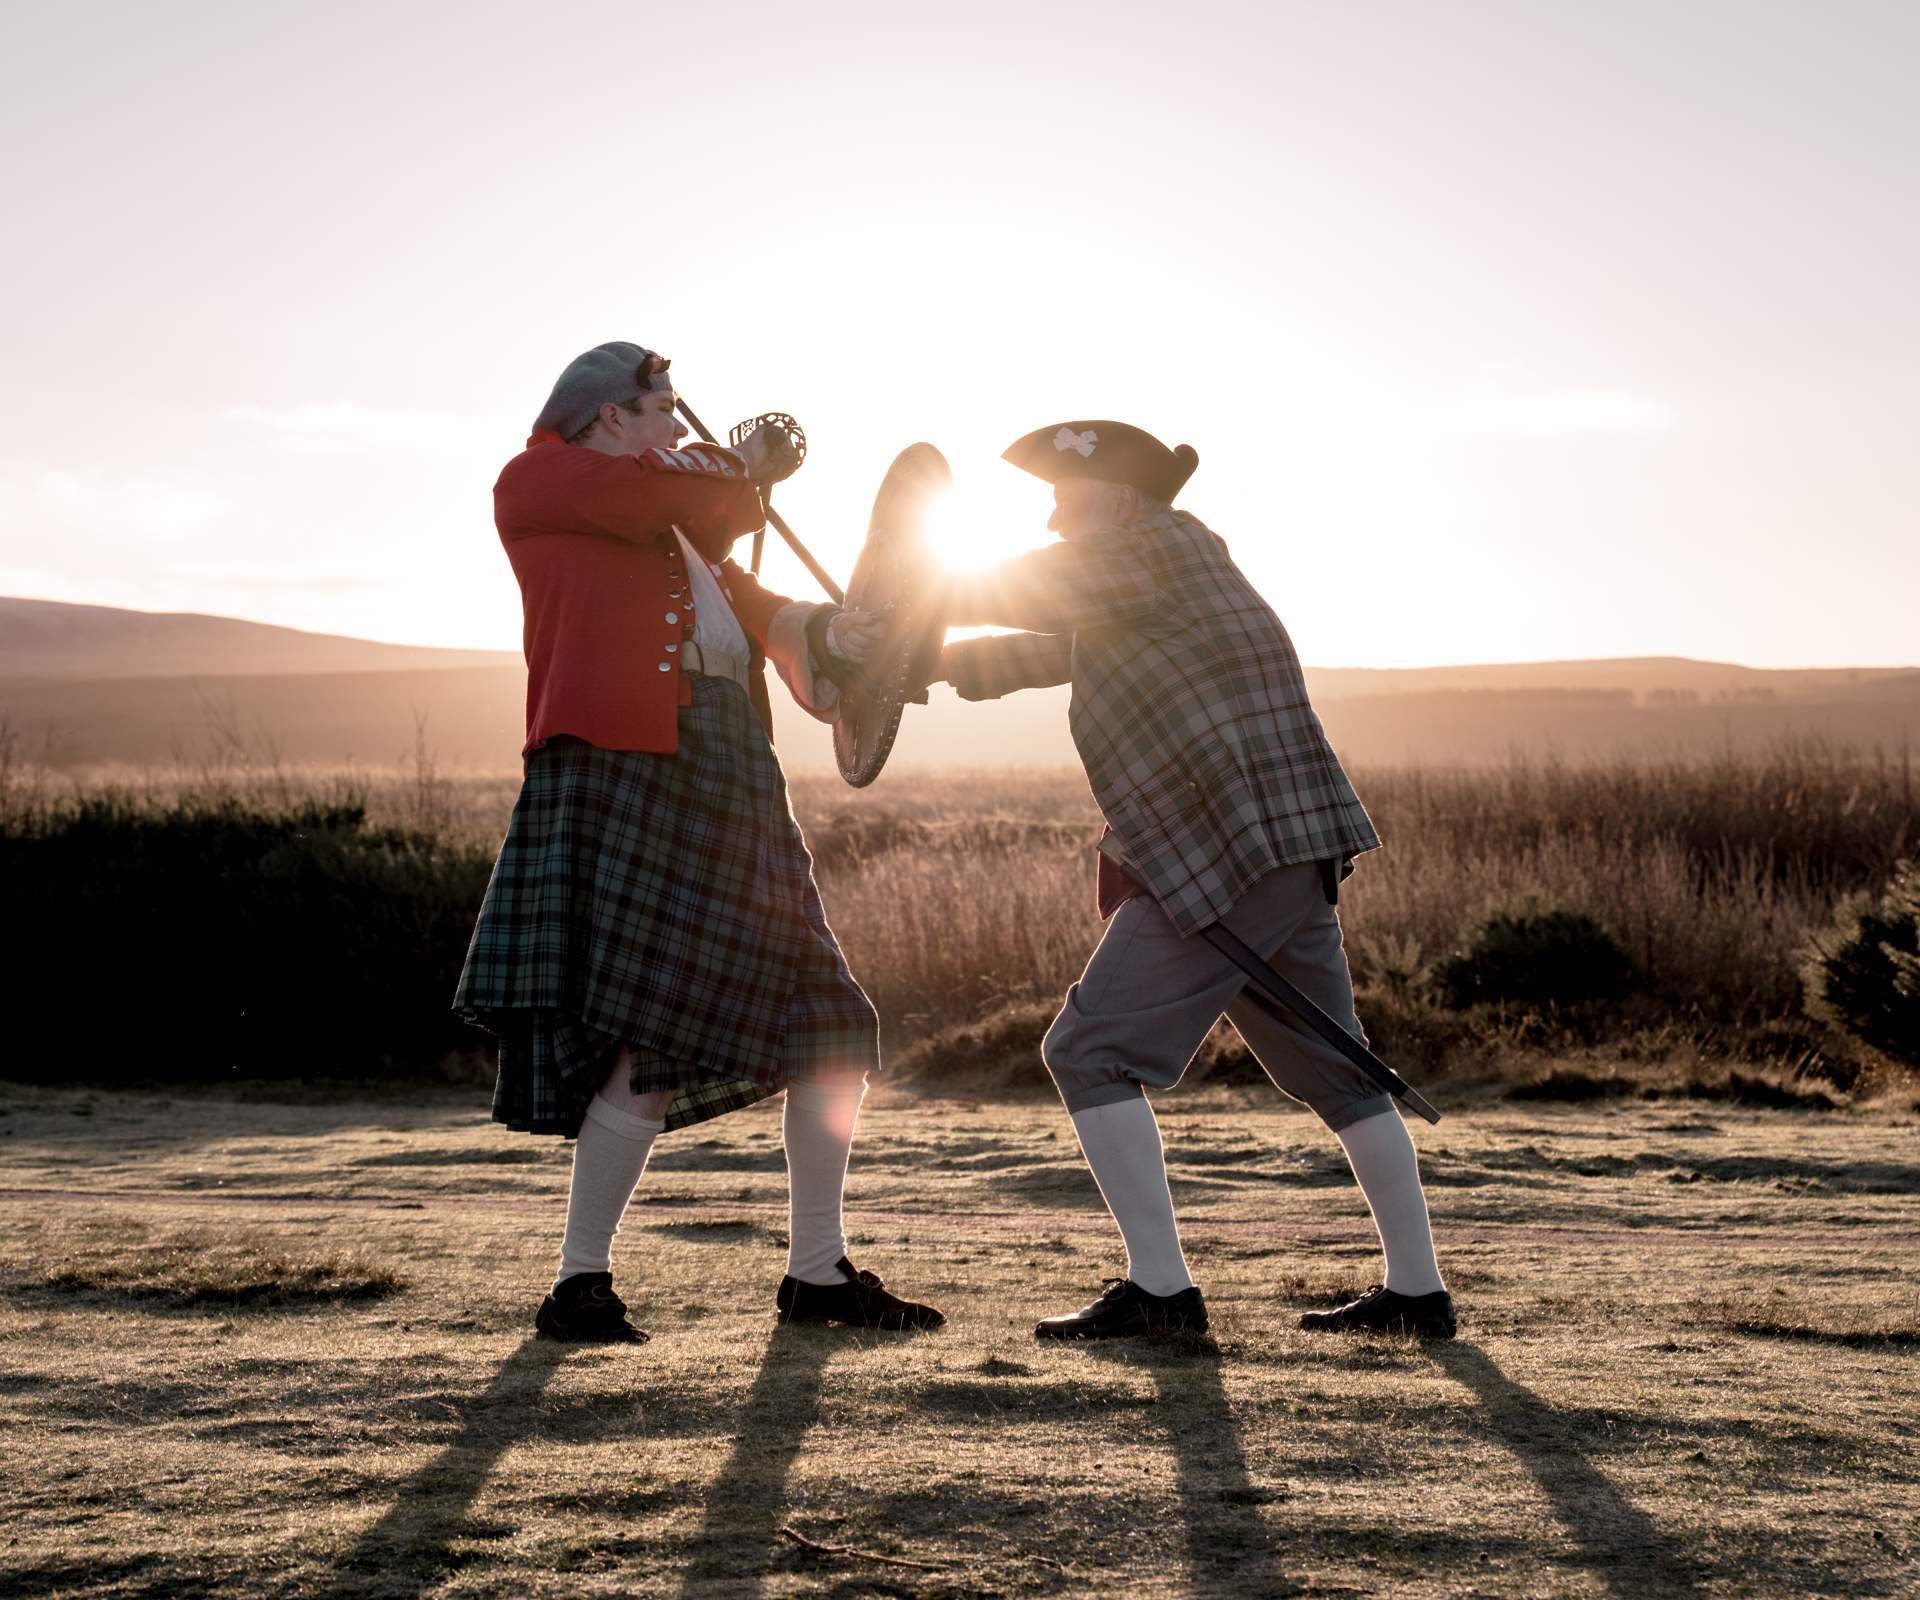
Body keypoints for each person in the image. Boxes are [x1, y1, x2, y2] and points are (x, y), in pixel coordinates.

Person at [455, 341, 943, 1342]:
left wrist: (844, 638)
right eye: (664, 408)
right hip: (634, 764)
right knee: (653, 1041)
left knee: (830, 1024)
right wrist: (744, 462)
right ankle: (578, 1286)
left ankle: (817, 1276)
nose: (679, 427)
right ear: (609, 417)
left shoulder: (678, 521)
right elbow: (670, 498)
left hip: (727, 768)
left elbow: (764, 616)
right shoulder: (539, 479)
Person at [930, 420, 1452, 1340]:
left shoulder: (1153, 549)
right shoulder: (1162, 576)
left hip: (1225, 857)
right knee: (1342, 1076)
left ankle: (1162, 1295)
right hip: (1285, 854)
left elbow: (1037, 591)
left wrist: (904, 595)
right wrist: (913, 663)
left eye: (1066, 495)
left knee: (1087, 1053)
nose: (1052, 514)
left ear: (1119, 503)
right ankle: (1418, 1296)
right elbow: (1046, 649)